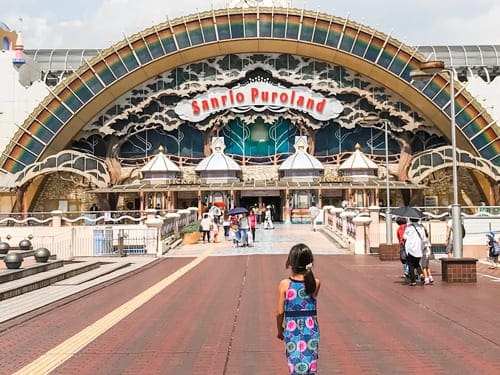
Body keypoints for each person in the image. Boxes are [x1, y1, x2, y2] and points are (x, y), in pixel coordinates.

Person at [276, 243, 321, 375]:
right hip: (311, 328)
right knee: (310, 361)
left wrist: (280, 330)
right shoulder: (315, 283)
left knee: (294, 361)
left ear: (291, 262)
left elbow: (279, 312)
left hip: (292, 328)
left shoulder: (285, 284)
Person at [403, 217, 427, 286]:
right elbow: (424, 238)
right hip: (419, 248)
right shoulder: (421, 227)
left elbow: (404, 237)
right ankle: (421, 274)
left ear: (410, 219)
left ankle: (413, 281)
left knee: (411, 264)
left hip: (410, 248)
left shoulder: (409, 227)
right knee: (416, 263)